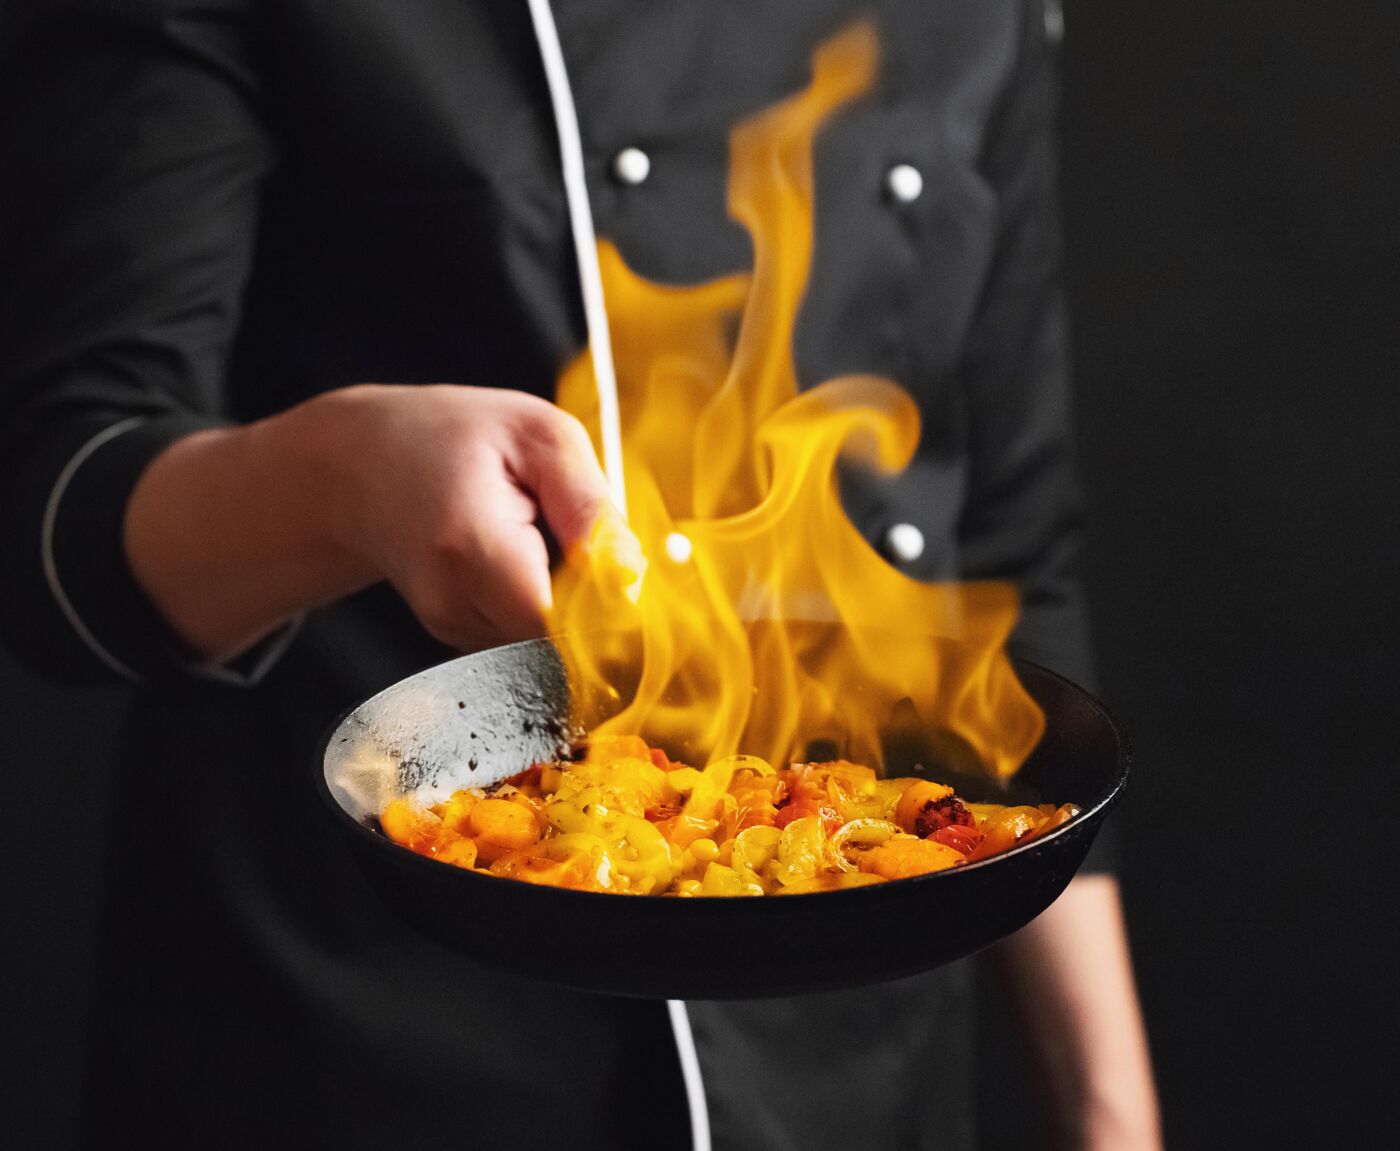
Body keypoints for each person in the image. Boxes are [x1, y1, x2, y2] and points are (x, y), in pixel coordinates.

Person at [0, 1, 1160, 1147]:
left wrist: (1109, 1116)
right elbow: (54, 517)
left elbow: (1012, 565)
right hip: (372, 1032)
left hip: (852, 1048)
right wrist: (338, 480)